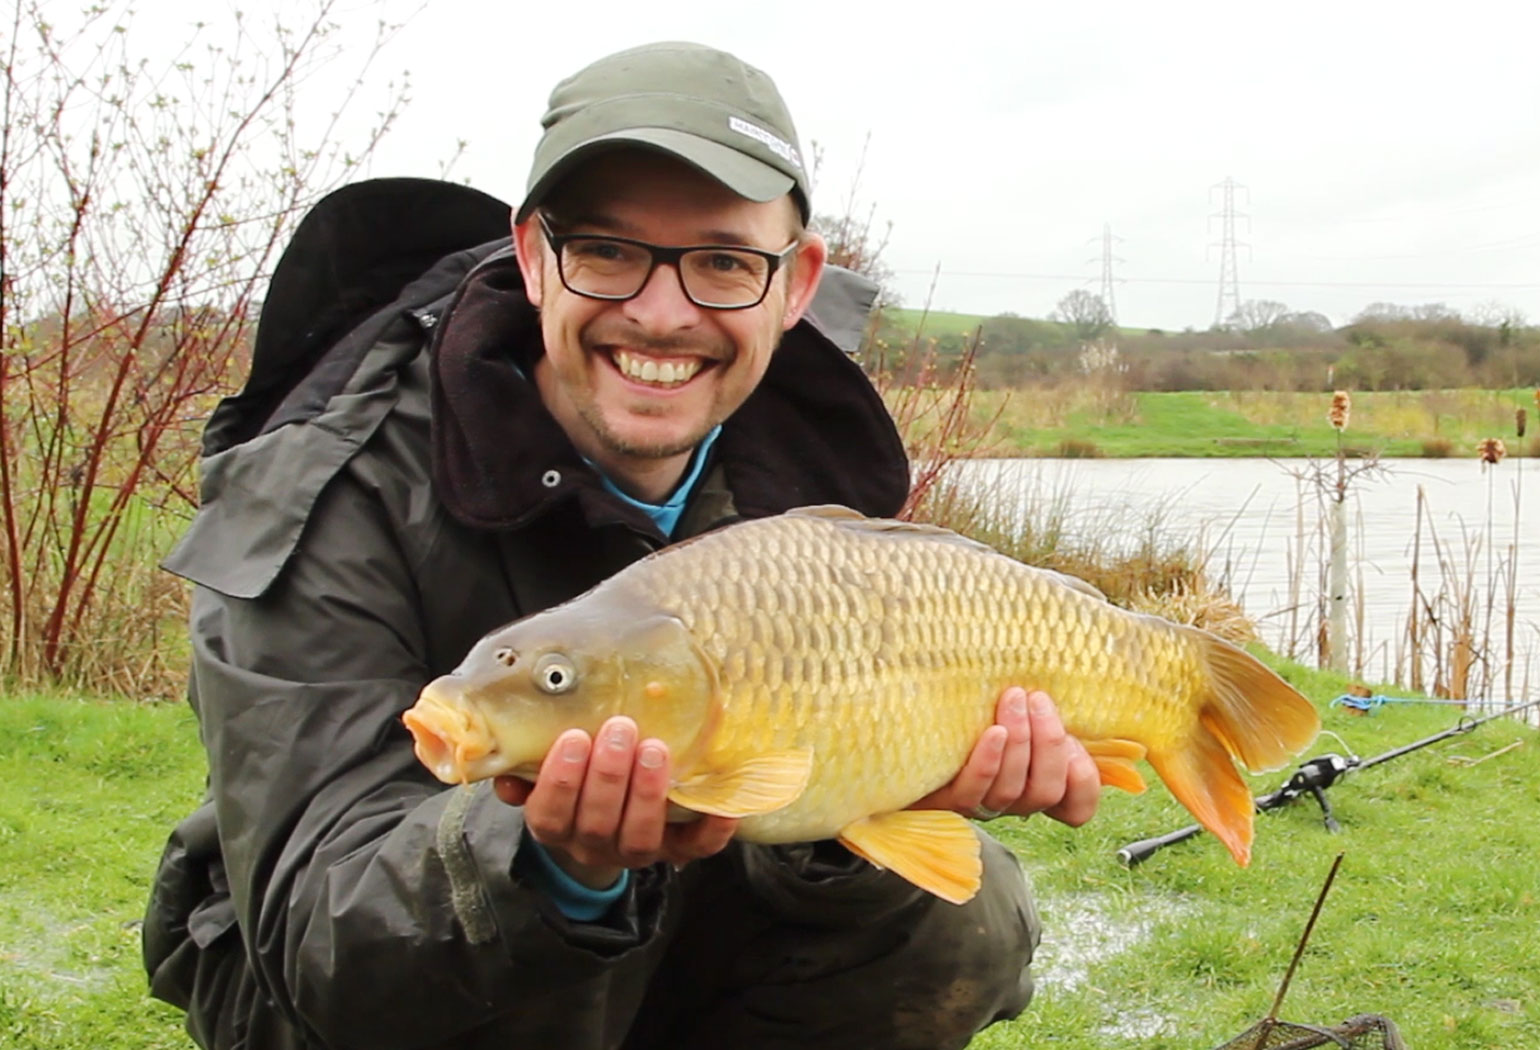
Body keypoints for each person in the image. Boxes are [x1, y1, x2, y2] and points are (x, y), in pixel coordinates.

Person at [142, 40, 1101, 1050]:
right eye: (607, 250)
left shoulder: (810, 493)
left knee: (957, 919)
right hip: (353, 986)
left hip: (681, 935)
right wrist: (550, 856)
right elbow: (316, 937)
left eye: (724, 262)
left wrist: (860, 809)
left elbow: (818, 829)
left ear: (795, 283)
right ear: (533, 257)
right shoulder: (325, 496)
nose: (661, 313)